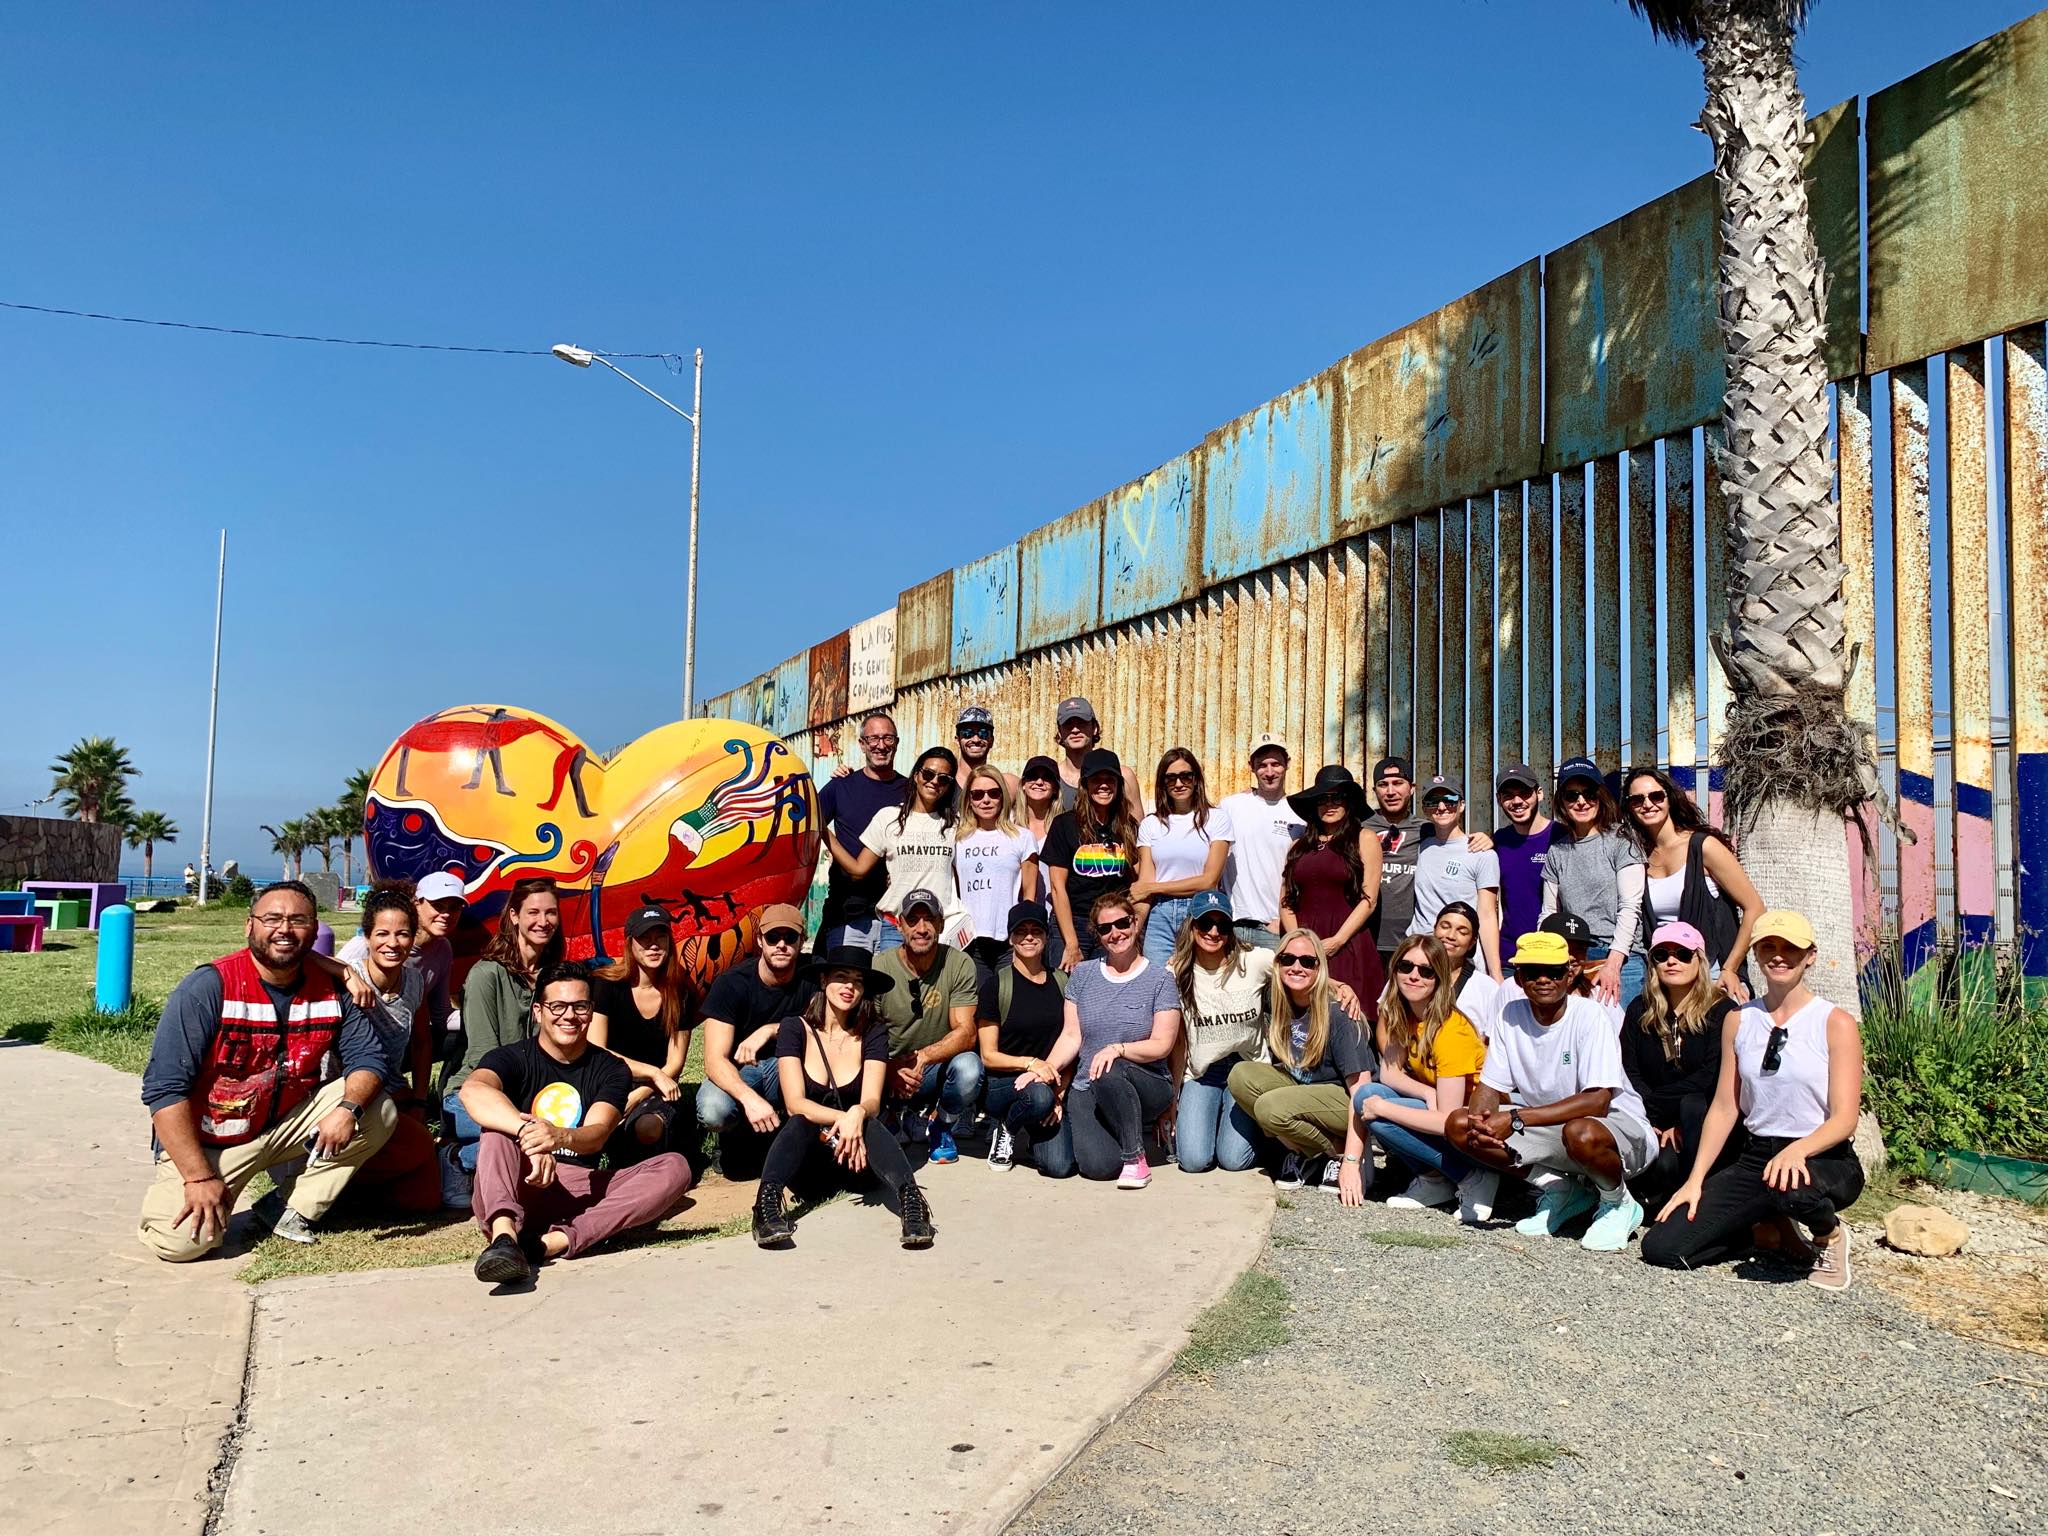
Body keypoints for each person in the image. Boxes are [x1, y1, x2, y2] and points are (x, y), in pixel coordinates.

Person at [136, 881, 398, 1260]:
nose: (285, 929)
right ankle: (193, 1191)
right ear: (249, 926)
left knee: (377, 1109)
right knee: (181, 1244)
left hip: (287, 1123)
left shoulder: (332, 988)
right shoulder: (210, 986)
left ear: (314, 928)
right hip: (212, 1138)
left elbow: (369, 1059)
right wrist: (197, 1176)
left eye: (298, 920)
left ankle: (290, 1206)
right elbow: (165, 1089)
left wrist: (346, 1110)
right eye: (272, 918)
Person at [1644, 911, 1865, 1289]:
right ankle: (1758, 1231)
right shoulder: (1740, 1019)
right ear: (1757, 955)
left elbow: (1845, 1118)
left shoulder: (1835, 1022)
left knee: (1793, 1192)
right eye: (1768, 947)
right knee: (1662, 1248)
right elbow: (1726, 1107)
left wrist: (1799, 1151)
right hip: (1757, 1158)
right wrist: (1694, 1180)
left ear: (1810, 955)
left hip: (1821, 1156)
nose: (1779, 956)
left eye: (1790, 949)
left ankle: (1829, 1235)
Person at [463, 964, 694, 1285]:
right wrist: (528, 1134)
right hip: (516, 1180)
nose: (569, 1016)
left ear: (591, 1011)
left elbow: (596, 1135)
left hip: (576, 1187)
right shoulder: (512, 1057)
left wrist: (557, 1136)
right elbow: (473, 1090)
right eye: (557, 1006)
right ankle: (503, 1238)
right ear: (538, 1012)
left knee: (676, 1168)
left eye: (580, 1006)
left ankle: (547, 1244)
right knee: (495, 1129)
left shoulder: (611, 1069)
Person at [1446, 930, 1659, 1251]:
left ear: (1570, 973)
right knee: (1459, 1125)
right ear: (1518, 977)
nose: (1543, 979)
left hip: (1619, 1131)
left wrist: (1516, 1119)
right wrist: (1480, 1120)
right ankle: (1559, 1188)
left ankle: (1618, 1202)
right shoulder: (1510, 1013)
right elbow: (1490, 1086)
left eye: (1554, 971)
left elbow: (1598, 1102)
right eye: (1532, 971)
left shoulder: (1590, 1015)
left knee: (1581, 1131)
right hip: (1552, 1128)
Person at [751, 946, 935, 1250]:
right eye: (841, 977)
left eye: (858, 981)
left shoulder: (873, 1032)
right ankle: (767, 1205)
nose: (850, 987)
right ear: (824, 981)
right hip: (808, 1167)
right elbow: (795, 1101)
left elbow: (872, 1101)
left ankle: (912, 1203)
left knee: (870, 1121)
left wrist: (858, 1115)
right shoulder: (794, 1029)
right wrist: (845, 1116)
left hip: (857, 1159)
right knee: (800, 1120)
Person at [1348, 934, 1498, 1222]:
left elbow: (1447, 1120)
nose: (1414, 976)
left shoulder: (1451, 1030)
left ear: (1439, 978)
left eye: (1426, 971)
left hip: (1476, 1125)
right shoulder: (1403, 1013)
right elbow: (1390, 1071)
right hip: (1443, 1111)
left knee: (1375, 1106)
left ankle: (1472, 1177)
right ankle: (1433, 1181)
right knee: (1367, 1095)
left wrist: (1385, 1108)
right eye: (1406, 967)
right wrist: (1426, 1093)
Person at [1043, 892, 1181, 1186]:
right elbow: (1070, 1035)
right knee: (1099, 1167)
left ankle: (1135, 1159)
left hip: (1147, 1081)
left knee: (1109, 1066)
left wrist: (1117, 1049)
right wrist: (1044, 1069)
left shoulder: (1160, 979)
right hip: (1088, 1083)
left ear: (1135, 923)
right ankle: (1121, 1136)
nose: (1115, 933)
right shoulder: (1083, 974)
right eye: (1105, 928)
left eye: (1121, 923)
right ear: (1097, 934)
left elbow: (1162, 1044)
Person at [1227, 929, 1377, 1193]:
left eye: (1307, 961)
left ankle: (1339, 1153)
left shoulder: (1339, 1015)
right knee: (1240, 1076)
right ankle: (1311, 1153)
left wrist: (1352, 1162)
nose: (1296, 967)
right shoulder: (1279, 1001)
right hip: (1305, 1092)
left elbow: (1362, 1092)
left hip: (1345, 1102)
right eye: (1288, 959)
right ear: (1278, 964)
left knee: (1270, 1108)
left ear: (1320, 967)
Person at [327, 884, 443, 1214]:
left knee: (425, 1199)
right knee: (415, 1148)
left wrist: (420, 1101)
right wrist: (345, 972)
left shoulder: (414, 981)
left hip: (394, 1091)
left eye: (403, 934)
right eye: (382, 933)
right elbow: (304, 956)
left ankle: (351, 1193)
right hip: (349, 1093)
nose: (392, 943)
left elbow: (422, 1044)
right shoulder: (350, 977)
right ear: (366, 936)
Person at [442, 877, 564, 1188]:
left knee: (560, 1144)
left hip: (530, 1097)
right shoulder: (486, 974)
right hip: (474, 1095)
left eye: (550, 913)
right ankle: (455, 1157)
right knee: (523, 1144)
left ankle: (472, 1158)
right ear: (514, 916)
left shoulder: (554, 976)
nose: (543, 921)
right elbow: (486, 1057)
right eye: (533, 913)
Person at [1622, 766, 1765, 1002]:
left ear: (1669, 798)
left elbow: (1755, 908)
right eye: (1637, 799)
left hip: (1712, 974)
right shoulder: (1637, 855)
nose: (1647, 804)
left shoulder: (1703, 847)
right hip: (1665, 979)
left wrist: (1731, 969)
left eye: (1656, 796)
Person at [1620, 921, 1737, 1204]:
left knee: (1691, 1108)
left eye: (1683, 954)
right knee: (1658, 1165)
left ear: (1699, 960)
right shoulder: (1640, 1009)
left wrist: (1673, 1118)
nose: (1672, 961)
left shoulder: (1722, 1011)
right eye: (1662, 955)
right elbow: (1628, 1069)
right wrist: (1652, 1118)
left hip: (1700, 1118)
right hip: (1650, 1117)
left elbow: (1712, 1075)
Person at [871, 889, 983, 1164]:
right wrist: (888, 1068)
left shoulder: (959, 963)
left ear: (941, 924)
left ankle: (941, 1125)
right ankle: (892, 1118)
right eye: (913, 920)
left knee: (970, 1068)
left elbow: (966, 1033)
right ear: (900, 925)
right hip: (889, 1070)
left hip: (933, 1068)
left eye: (929, 919)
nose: (921, 928)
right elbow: (864, 1036)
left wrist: (924, 1057)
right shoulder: (879, 967)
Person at [695, 904, 815, 1146]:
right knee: (714, 1110)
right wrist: (750, 1099)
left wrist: (770, 1030)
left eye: (790, 937)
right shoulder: (731, 983)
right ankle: (731, 1138)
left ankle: (803, 1142)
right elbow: (714, 1061)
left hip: (789, 1065)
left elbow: (826, 1033)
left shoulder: (814, 975)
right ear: (760, 941)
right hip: (738, 1070)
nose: (781, 945)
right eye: (772, 937)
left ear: (802, 941)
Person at [1167, 890, 1267, 1175]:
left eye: (1222, 925)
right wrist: (1174, 1096)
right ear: (1192, 926)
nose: (1213, 932)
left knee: (1233, 1160)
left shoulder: (1254, 960)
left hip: (1246, 1070)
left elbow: (1298, 970)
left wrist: (1339, 987)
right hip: (1204, 1073)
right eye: (1205, 924)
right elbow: (1178, 1042)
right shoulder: (1176, 971)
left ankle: (1261, 1135)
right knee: (1194, 1161)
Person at [831, 745, 967, 951]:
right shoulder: (888, 818)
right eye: (928, 774)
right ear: (916, 775)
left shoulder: (955, 825)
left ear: (949, 786)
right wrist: (822, 831)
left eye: (944, 779)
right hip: (896, 928)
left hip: (940, 929)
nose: (934, 782)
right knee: (893, 984)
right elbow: (858, 870)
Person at [975, 901, 1076, 1176]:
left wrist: (1061, 1090)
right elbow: (988, 1055)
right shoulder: (996, 986)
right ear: (1010, 938)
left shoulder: (1062, 982)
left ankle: (1034, 1131)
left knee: (1060, 1166)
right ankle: (1006, 1126)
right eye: (1021, 931)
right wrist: (1032, 1064)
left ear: (1046, 936)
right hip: (1004, 1084)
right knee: (1038, 1096)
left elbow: (1073, 1040)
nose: (1029, 937)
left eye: (1036, 930)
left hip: (1048, 1084)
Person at [1280, 765, 1386, 1018]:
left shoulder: (1365, 838)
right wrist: (1300, 944)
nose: (1330, 804)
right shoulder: (1298, 845)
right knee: (1304, 1024)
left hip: (1349, 944)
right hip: (1303, 951)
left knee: (1351, 1021)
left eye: (1337, 798)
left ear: (1348, 803)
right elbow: (1286, 900)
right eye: (1323, 799)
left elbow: (1369, 899)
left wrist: (1338, 940)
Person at [589, 904, 693, 1164]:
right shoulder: (606, 985)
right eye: (645, 938)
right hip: (610, 1079)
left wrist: (641, 1091)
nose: (653, 945)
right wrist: (652, 1072)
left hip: (656, 1089)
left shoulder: (680, 990)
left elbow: (675, 1064)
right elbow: (597, 1049)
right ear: (630, 944)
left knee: (647, 1127)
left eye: (660, 937)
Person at [1541, 756, 1647, 1008]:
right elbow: (1548, 913)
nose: (1581, 801)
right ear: (1561, 802)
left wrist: (1613, 963)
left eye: (1589, 793)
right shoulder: (1557, 851)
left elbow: (1630, 907)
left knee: (1621, 1039)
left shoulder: (1622, 841)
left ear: (1601, 796)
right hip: (1572, 957)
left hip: (1622, 957)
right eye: (1572, 795)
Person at [1042, 748, 1143, 970]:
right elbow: (1058, 888)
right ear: (1085, 784)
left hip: (1113, 925)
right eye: (1096, 779)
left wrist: (1131, 925)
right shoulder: (1065, 825)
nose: (1104, 785)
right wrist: (1071, 943)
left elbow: (1138, 881)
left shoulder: (1128, 827)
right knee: (1068, 992)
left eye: (1110, 779)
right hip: (1074, 923)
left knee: (1109, 995)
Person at [1133, 748, 1233, 967]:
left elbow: (1209, 881)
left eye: (1185, 776)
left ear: (1196, 779)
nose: (1179, 783)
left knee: (1197, 983)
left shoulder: (1216, 819)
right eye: (1171, 778)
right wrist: (1135, 927)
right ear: (1163, 783)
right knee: (1158, 983)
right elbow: (1144, 885)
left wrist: (1153, 888)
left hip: (1200, 912)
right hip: (1159, 915)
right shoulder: (1151, 824)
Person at [816, 712, 905, 952]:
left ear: (896, 743)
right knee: (841, 984)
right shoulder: (840, 786)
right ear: (862, 744)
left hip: (894, 915)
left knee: (890, 988)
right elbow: (808, 824)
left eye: (888, 738)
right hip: (847, 911)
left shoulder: (911, 791)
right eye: (873, 738)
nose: (881, 745)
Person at [1408, 775, 1503, 979]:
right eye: (1433, 802)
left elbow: (1487, 915)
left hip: (1457, 959)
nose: (1441, 807)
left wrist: (1495, 973)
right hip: (1418, 955)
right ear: (1425, 809)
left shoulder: (1482, 853)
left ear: (1462, 806)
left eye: (1449, 800)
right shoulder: (1422, 846)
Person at [1218, 733, 1305, 953]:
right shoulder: (1230, 807)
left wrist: (1283, 921)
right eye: (1262, 765)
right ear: (1251, 767)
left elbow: (1302, 875)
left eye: (1276, 764)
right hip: (1234, 927)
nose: (1269, 772)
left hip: (1275, 929)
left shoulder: (1300, 814)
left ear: (1287, 764)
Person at [953, 765, 1039, 974]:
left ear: (1002, 796)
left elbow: (1029, 894)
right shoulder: (957, 839)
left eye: (993, 793)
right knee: (975, 1004)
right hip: (968, 939)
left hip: (1008, 940)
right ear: (968, 800)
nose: (986, 800)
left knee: (1009, 1002)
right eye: (977, 795)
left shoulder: (1022, 837)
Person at [1365, 756, 1425, 966]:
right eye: (1383, 785)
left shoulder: (1428, 830)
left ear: (1412, 788)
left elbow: (1457, 842)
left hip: (1412, 943)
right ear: (1375, 791)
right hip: (1365, 939)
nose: (1390, 791)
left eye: (1398, 783)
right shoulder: (1359, 827)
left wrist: (1486, 839)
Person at [1490, 764, 1554, 954]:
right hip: (1510, 953)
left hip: (1553, 954)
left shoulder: (1562, 837)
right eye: (1508, 795)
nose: (1517, 801)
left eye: (1524, 793)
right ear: (1499, 800)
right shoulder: (1498, 841)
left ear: (1539, 794)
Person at [1050, 695, 1145, 817]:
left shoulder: (1123, 776)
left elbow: (1136, 827)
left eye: (1081, 723)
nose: (1075, 730)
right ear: (1059, 731)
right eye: (1068, 724)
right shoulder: (1051, 777)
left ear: (1094, 728)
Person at [1432, 901, 1501, 1038]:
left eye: (1462, 932)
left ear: (1472, 942)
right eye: (1445, 927)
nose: (1451, 936)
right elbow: (1387, 1020)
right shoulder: (1411, 971)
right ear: (1434, 929)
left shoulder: (1487, 987)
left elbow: (1493, 1040)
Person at [953, 705, 1021, 807]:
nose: (976, 740)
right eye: (967, 733)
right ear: (957, 740)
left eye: (983, 734)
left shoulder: (1009, 785)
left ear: (991, 741)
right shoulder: (943, 783)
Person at [1018, 754, 1061, 854]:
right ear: (1023, 784)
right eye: (1033, 776)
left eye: (1047, 778)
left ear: (1055, 788)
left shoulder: (1064, 825)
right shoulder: (1009, 821)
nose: (1039, 782)